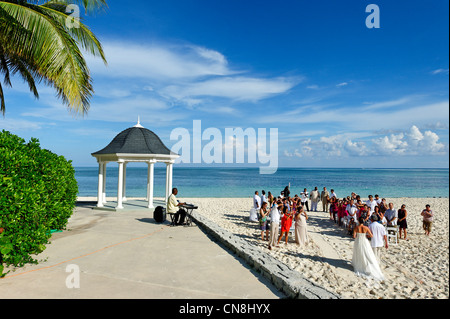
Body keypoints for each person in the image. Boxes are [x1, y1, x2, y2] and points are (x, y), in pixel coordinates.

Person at [352, 216, 385, 281]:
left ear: (358, 221)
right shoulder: (366, 228)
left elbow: (354, 236)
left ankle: (359, 264)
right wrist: (366, 235)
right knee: (366, 253)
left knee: (358, 252)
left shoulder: (356, 227)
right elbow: (371, 235)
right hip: (364, 240)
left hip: (358, 241)